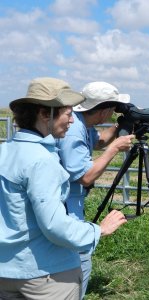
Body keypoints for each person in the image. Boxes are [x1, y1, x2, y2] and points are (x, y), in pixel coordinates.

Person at [0, 77, 127, 299]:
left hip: (7, 269)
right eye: (68, 114)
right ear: (44, 114)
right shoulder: (42, 160)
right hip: (46, 274)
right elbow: (54, 225)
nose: (71, 121)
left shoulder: (6, 150)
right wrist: (98, 230)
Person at [57, 81, 135, 298]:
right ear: (103, 110)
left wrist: (119, 127)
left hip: (69, 203)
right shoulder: (74, 130)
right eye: (113, 108)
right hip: (65, 206)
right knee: (80, 258)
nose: (114, 112)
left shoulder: (82, 123)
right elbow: (85, 177)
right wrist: (114, 149)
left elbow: (98, 141)